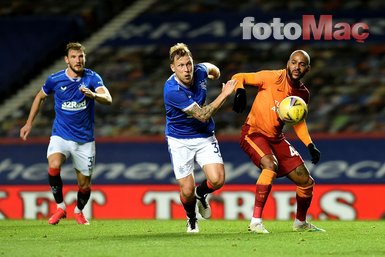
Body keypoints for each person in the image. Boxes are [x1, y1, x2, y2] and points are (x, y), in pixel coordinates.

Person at [231, 50, 325, 233]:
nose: (297, 67)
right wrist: (240, 90)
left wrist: (309, 144)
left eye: (302, 64)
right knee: (270, 165)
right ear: (288, 63)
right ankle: (255, 222)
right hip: (253, 132)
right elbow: (238, 76)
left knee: (306, 181)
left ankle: (300, 223)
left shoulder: (303, 93)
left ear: (308, 68)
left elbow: (298, 120)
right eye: (294, 62)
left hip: (276, 138)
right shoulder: (271, 77)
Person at [20, 42, 112, 225]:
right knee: (53, 166)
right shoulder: (55, 79)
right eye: (73, 57)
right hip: (60, 135)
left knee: (84, 186)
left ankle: (78, 211)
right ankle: (61, 207)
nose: (78, 60)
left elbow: (108, 98)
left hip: (84, 140)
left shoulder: (92, 78)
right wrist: (29, 123)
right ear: (66, 60)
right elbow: (39, 96)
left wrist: (94, 95)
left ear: (84, 58)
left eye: (81, 57)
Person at [163, 43, 236, 233]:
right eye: (181, 65)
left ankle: (200, 193)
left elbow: (212, 69)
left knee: (218, 179)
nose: (187, 69)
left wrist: (215, 73)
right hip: (179, 140)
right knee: (185, 191)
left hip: (204, 136)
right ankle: (191, 218)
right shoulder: (172, 90)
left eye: (189, 64)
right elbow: (203, 115)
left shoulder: (200, 71)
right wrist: (224, 94)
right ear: (173, 67)